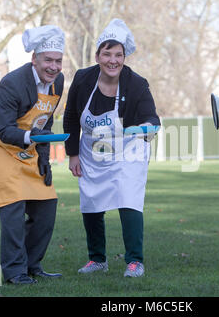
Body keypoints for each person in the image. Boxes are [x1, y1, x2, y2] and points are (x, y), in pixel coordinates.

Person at [63, 18, 160, 278]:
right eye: (107, 54)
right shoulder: (83, 79)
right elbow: (71, 117)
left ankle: (135, 261)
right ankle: (97, 259)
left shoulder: (137, 83)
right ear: (97, 55)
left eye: (119, 55)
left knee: (129, 200)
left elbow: (153, 120)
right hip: (91, 151)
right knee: (91, 203)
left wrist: (141, 129)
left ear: (124, 57)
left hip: (128, 150)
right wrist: (72, 153)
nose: (113, 60)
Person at [0, 25, 65, 284]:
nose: (53, 67)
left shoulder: (58, 81)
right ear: (34, 59)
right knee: (14, 207)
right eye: (48, 60)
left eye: (58, 61)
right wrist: (33, 139)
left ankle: (32, 264)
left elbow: (45, 122)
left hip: (29, 143)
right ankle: (14, 272)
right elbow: (4, 130)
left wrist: (44, 161)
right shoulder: (11, 83)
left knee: (47, 204)